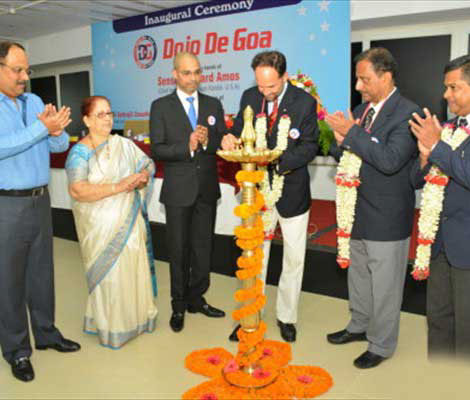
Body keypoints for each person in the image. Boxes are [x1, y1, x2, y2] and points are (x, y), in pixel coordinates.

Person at [325, 47, 420, 368]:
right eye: (357, 79)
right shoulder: (361, 110)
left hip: (387, 215)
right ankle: (359, 325)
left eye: (364, 79)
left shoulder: (408, 113)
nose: (358, 86)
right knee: (359, 278)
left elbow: (390, 161)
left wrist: (351, 133)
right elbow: (346, 154)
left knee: (385, 285)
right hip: (356, 211)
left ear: (386, 76)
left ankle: (381, 343)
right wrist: (340, 142)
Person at [409, 54, 470, 367]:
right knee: (438, 323)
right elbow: (416, 180)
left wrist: (437, 147)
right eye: (446, 87)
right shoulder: (447, 127)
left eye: (453, 87)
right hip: (440, 245)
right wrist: (425, 156)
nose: (446, 95)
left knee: (469, 335)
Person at [221, 50, 319, 342]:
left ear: (285, 76)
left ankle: (287, 317)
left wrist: (275, 160)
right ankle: (251, 315)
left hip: (292, 190)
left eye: (271, 86)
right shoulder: (250, 97)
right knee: (255, 256)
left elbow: (310, 146)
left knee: (293, 258)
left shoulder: (304, 102)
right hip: (257, 192)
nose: (265, 92)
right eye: (261, 85)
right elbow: (239, 131)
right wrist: (230, 137)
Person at [0, 41, 80, 383]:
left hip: (40, 199)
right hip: (7, 203)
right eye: (17, 70)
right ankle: (17, 350)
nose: (24, 77)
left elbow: (57, 146)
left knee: (41, 273)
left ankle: (46, 333)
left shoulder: (34, 102)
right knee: (9, 281)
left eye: (27, 70)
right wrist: (40, 128)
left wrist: (57, 132)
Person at [65, 96, 158, 349]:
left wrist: (141, 177)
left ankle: (138, 319)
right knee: (111, 277)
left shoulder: (123, 144)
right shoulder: (79, 153)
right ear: (87, 120)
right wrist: (118, 186)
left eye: (109, 113)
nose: (107, 119)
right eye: (100, 114)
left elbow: (148, 164)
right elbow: (78, 190)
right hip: (99, 227)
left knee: (132, 269)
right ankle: (114, 327)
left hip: (129, 219)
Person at [149, 52, 226, 333]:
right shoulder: (160, 107)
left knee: (203, 249)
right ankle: (178, 305)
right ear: (175, 74)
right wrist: (189, 145)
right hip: (178, 192)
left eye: (197, 72)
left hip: (206, 189)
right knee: (179, 250)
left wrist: (207, 142)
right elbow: (158, 149)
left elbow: (220, 142)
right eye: (187, 73)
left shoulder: (213, 104)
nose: (193, 78)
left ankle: (197, 298)